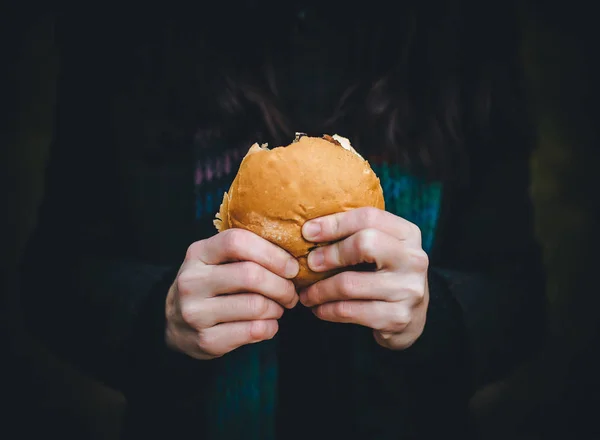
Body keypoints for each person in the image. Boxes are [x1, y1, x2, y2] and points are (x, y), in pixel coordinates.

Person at [19, 1, 546, 439]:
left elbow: (520, 302)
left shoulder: (467, 28)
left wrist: (435, 317)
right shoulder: (121, 25)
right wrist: (156, 317)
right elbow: (53, 280)